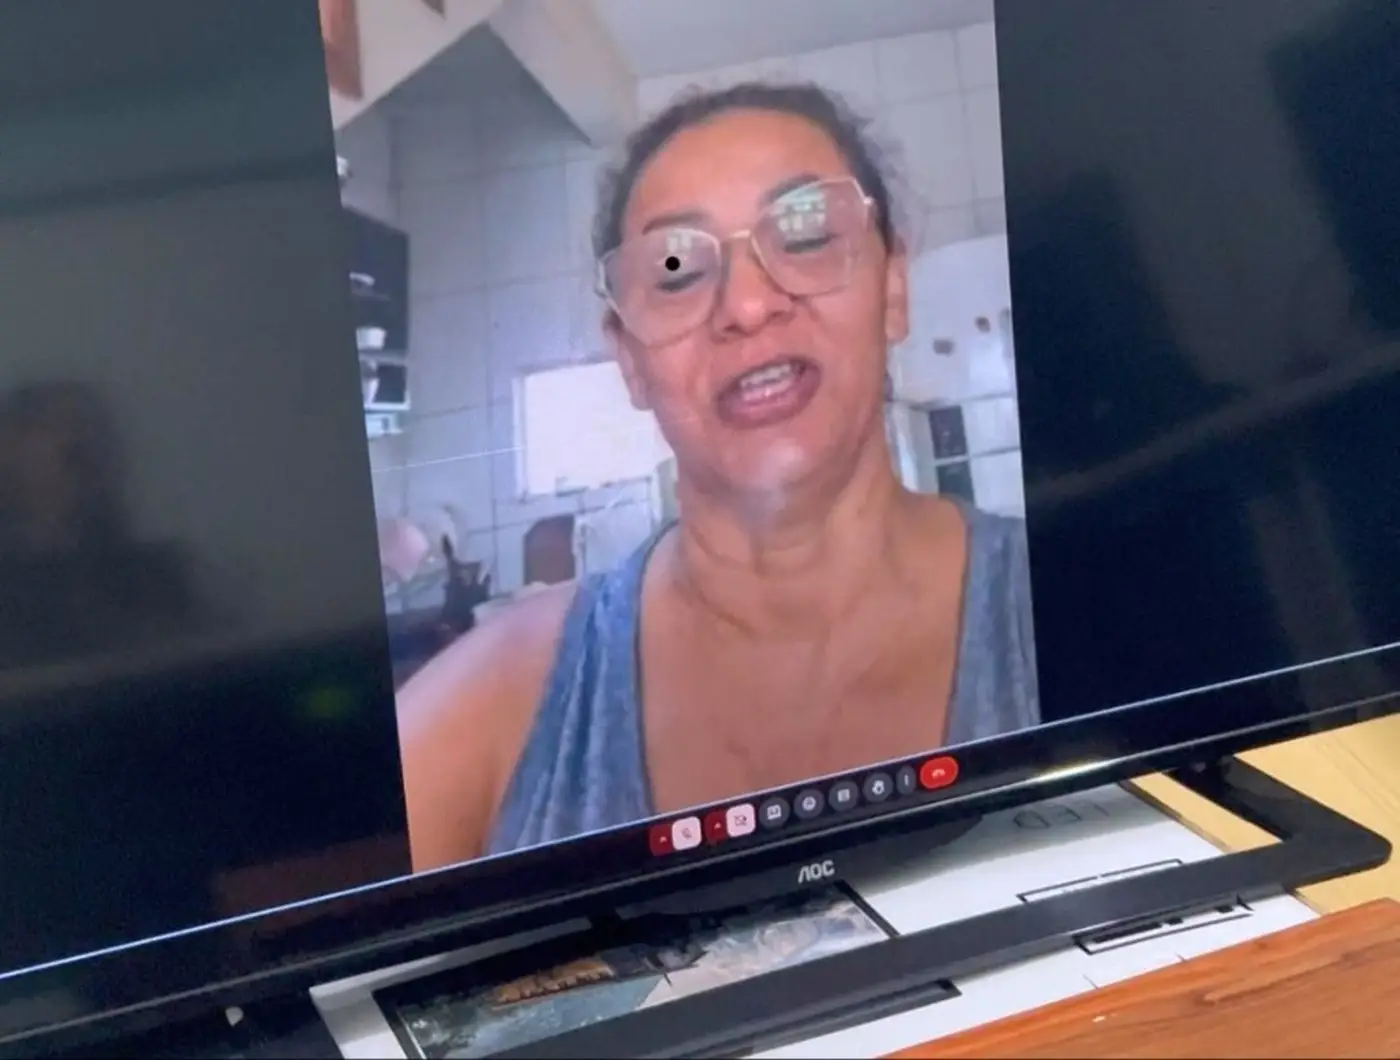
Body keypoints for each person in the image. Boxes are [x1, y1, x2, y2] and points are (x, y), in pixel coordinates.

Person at [397, 82, 1039, 873]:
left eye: (805, 231)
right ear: (631, 359)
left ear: (893, 289)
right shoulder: (488, 704)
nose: (748, 304)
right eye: (675, 268)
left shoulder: (1083, 595)